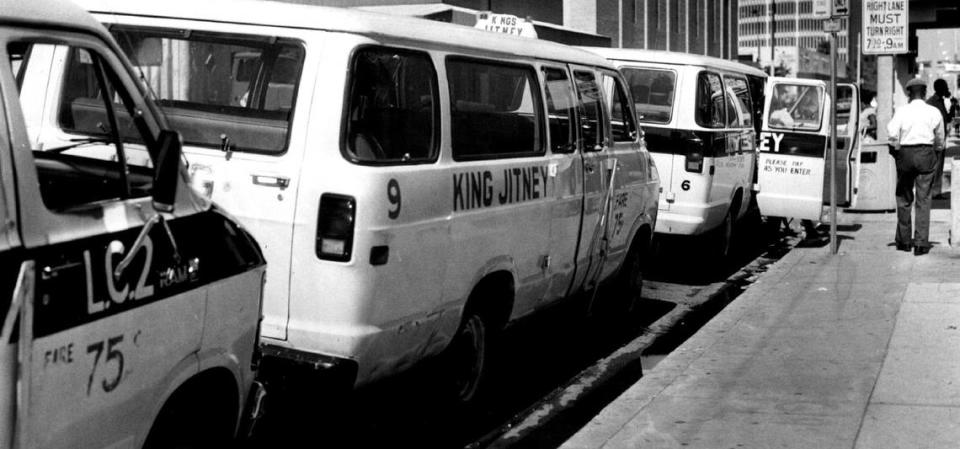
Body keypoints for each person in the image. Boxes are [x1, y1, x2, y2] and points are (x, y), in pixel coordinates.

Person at [888, 78, 945, 256]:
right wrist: (936, 150)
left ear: (908, 93)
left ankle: (904, 242)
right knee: (924, 199)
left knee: (904, 198)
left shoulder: (902, 111)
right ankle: (921, 243)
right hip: (926, 154)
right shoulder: (933, 111)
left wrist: (897, 149)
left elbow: (891, 133)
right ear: (925, 92)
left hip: (906, 154)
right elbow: (940, 138)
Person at [926, 79, 951, 197]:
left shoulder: (941, 101)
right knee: (935, 167)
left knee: (938, 167)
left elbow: (947, 118)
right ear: (940, 88)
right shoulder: (932, 102)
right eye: (945, 87)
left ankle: (935, 192)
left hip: (939, 138)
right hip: (934, 139)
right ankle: (933, 192)